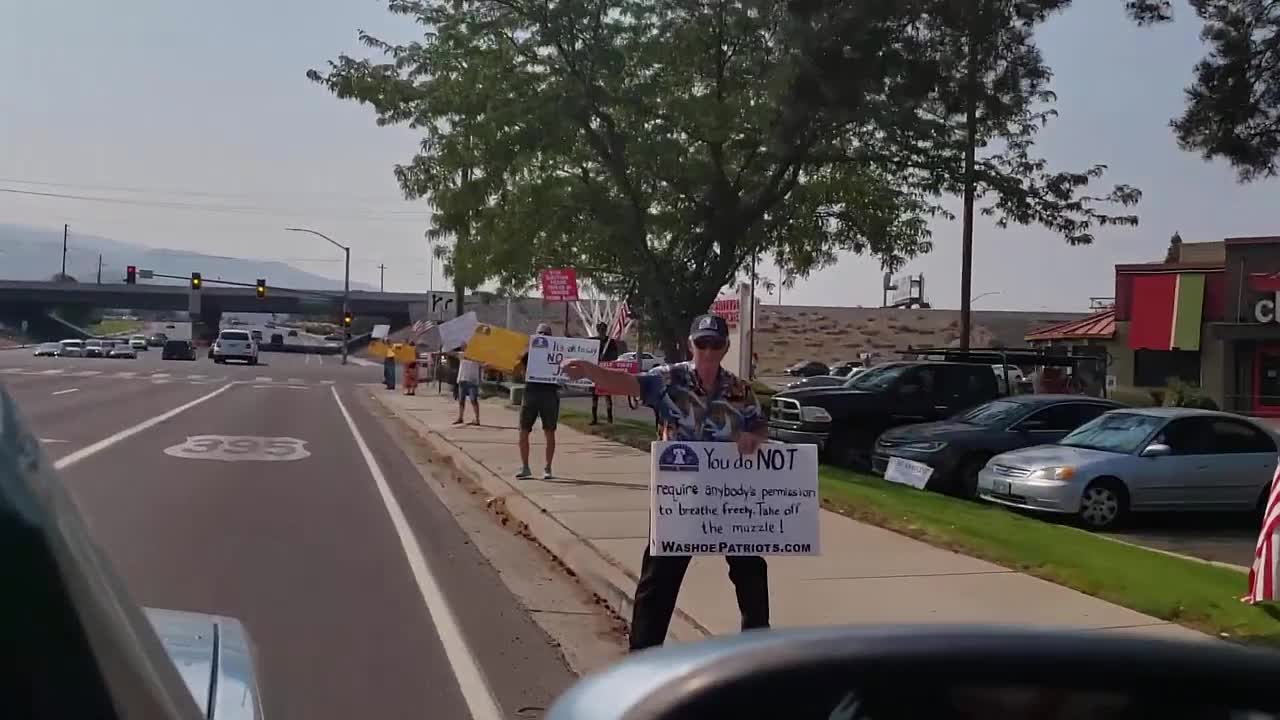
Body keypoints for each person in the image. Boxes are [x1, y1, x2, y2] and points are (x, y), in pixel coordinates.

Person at [562, 314, 770, 651]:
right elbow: (626, 384)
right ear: (691, 345)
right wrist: (590, 369)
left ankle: (758, 649)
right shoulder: (669, 380)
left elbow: (760, 424)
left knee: (750, 570)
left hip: (730, 496)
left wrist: (753, 436)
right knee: (660, 578)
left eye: (716, 344)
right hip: (680, 496)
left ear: (725, 347)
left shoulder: (739, 389)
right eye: (702, 343)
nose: (708, 351)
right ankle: (643, 655)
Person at [516, 323, 560, 480]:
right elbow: (517, 367)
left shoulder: (556, 352)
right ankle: (525, 467)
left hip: (549, 394)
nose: (543, 336)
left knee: (549, 431)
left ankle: (548, 467)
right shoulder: (529, 353)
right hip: (531, 393)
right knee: (523, 430)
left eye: (546, 334)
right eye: (540, 333)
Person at [589, 321, 620, 425]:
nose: (601, 332)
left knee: (607, 395)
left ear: (605, 330)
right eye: (600, 330)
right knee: (594, 395)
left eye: (603, 330)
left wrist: (606, 358)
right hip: (596, 371)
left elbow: (615, 355)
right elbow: (582, 344)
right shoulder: (594, 341)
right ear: (597, 330)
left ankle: (609, 418)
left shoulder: (610, 342)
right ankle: (594, 418)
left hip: (606, 371)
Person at [454, 345, 482, 425]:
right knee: (461, 400)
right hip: (462, 379)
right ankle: (460, 417)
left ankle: (477, 419)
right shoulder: (462, 354)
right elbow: (451, 353)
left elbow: (482, 365)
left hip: (472, 380)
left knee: (473, 400)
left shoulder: (477, 356)